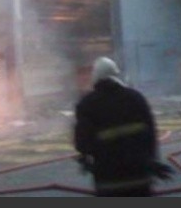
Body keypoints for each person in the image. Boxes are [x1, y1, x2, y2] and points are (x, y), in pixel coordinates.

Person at [74, 56, 173, 197]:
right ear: (116, 74)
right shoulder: (136, 97)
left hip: (108, 179)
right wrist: (153, 162)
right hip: (139, 175)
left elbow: (82, 143)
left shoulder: (87, 104)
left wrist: (86, 160)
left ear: (95, 77)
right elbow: (150, 135)